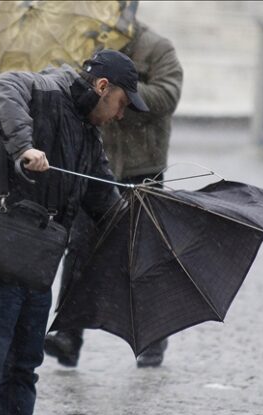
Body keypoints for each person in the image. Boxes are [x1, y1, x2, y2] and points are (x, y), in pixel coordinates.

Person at [0, 49, 148, 415]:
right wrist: (24, 147)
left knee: (22, 365)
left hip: (33, 258)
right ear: (102, 87)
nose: (120, 115)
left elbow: (105, 206)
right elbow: (0, 88)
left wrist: (145, 214)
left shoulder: (89, 139)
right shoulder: (45, 88)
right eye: (122, 104)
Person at [44, 18, 183, 369]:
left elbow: (168, 95)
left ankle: (152, 338)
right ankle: (68, 335)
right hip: (97, 163)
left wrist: (124, 95)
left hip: (142, 168)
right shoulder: (92, 46)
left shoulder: (158, 48)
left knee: (143, 252)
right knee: (78, 247)